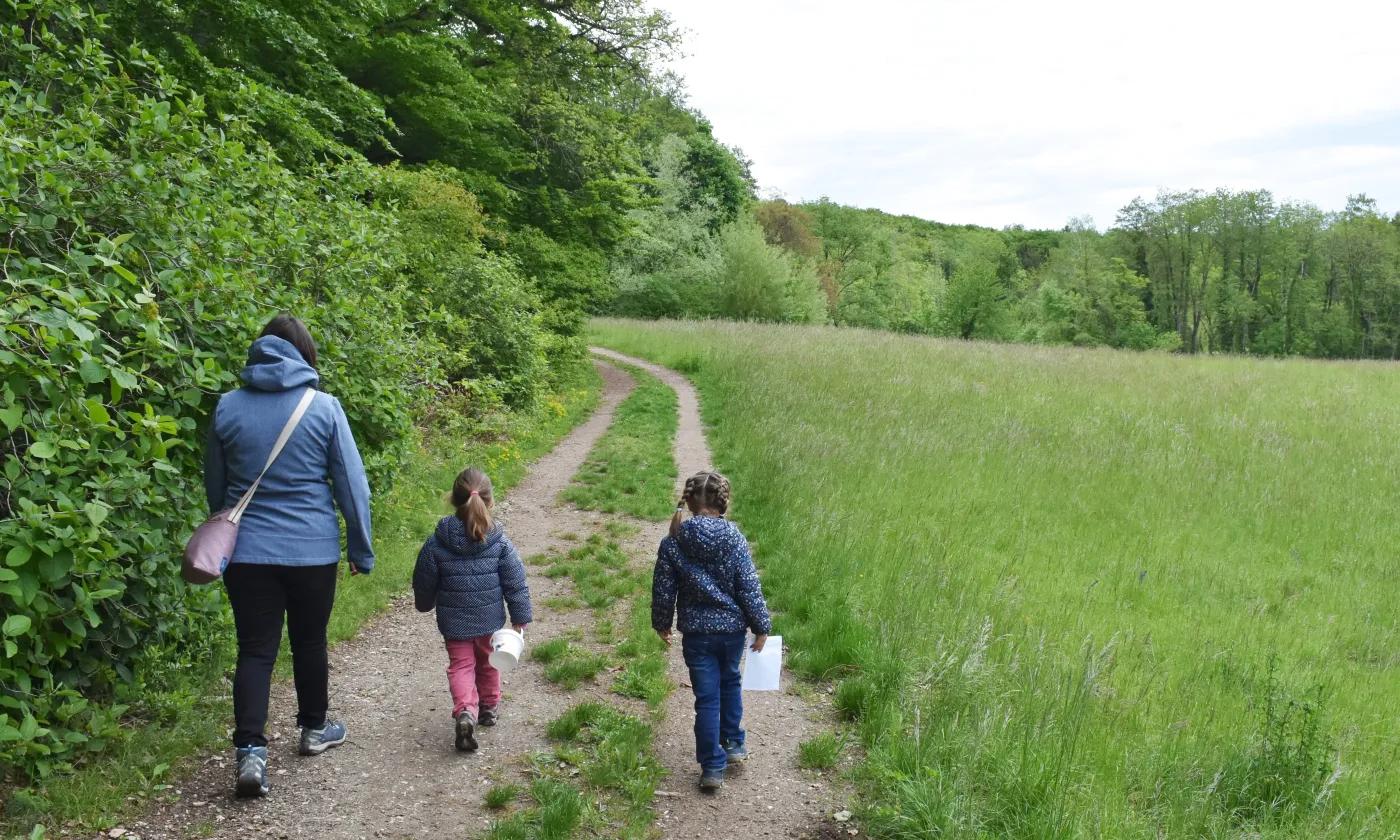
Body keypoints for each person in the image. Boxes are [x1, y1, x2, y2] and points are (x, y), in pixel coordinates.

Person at [204, 315, 374, 798]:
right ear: (304, 353)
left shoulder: (226, 408)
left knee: (256, 649)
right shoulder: (323, 407)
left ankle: (250, 752)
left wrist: (225, 529)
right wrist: (360, 548)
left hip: (247, 551)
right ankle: (314, 730)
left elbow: (217, 488)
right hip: (312, 549)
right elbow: (351, 486)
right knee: (309, 641)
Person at [652, 470, 771, 792]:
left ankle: (712, 767)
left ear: (689, 503)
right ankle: (732, 742)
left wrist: (662, 623)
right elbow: (748, 586)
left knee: (706, 699)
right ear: (723, 502)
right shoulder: (733, 538)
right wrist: (761, 626)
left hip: (696, 635)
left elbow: (664, 590)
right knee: (730, 682)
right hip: (732, 632)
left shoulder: (674, 541)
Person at [413, 467, 532, 752]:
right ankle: (489, 708)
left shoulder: (435, 543)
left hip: (454, 622)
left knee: (461, 666)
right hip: (489, 620)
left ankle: (466, 710)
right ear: (490, 502)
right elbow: (516, 582)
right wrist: (520, 618)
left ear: (453, 500)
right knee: (490, 662)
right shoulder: (499, 542)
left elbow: (424, 580)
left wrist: (424, 604)